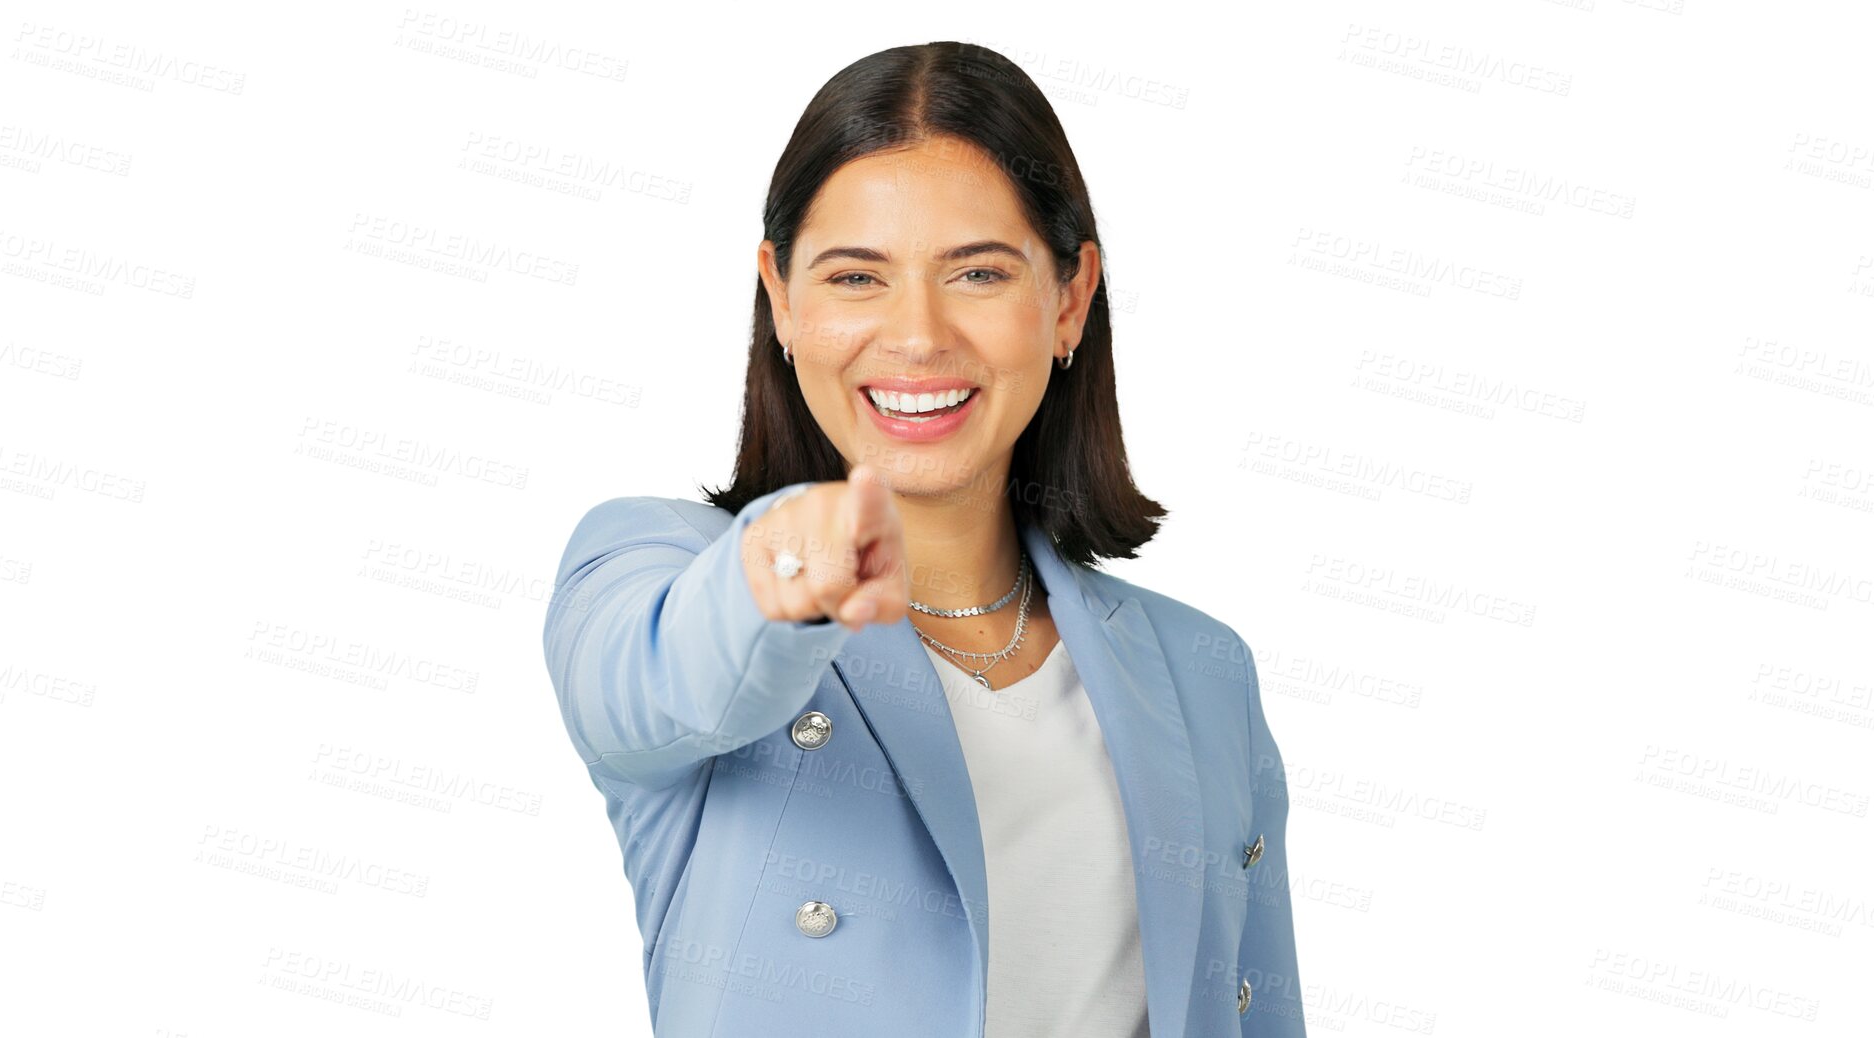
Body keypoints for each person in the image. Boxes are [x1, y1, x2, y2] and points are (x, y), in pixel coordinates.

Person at [541, 40, 1308, 1037]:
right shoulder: (657, 568)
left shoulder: (1202, 668)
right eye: (855, 278)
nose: (916, 336)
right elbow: (646, 685)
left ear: (1069, 298)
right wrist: (780, 566)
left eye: (978, 273)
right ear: (779, 296)